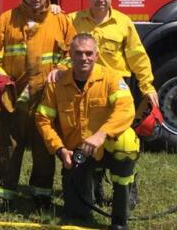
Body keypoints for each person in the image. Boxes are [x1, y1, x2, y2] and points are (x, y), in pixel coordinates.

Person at [0, 0, 76, 212]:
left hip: (46, 97)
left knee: (44, 146)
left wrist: (60, 69)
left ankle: (41, 195)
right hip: (13, 96)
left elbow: (74, 53)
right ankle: (2, 194)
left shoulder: (61, 20)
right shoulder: (8, 20)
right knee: (9, 145)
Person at [34, 34, 138, 230]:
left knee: (127, 142)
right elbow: (43, 119)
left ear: (97, 55)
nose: (84, 58)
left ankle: (120, 214)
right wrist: (60, 150)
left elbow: (126, 109)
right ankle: (91, 186)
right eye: (79, 53)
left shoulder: (111, 78)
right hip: (77, 152)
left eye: (89, 53)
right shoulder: (56, 84)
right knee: (77, 214)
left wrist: (101, 134)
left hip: (107, 146)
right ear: (70, 55)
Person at [68, 0, 158, 110]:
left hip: (115, 85)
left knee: (117, 125)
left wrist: (147, 87)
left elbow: (137, 57)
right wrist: (52, 7)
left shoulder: (123, 22)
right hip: (82, 83)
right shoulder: (71, 20)